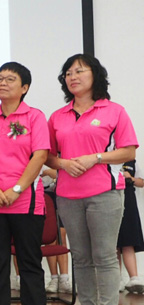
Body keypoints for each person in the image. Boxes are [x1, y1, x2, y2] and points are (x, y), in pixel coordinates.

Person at [46, 53, 138, 305]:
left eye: (79, 71)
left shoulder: (114, 110)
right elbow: (47, 156)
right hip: (67, 196)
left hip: (104, 194)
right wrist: (63, 163)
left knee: (105, 256)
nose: (72, 77)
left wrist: (95, 158)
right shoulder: (57, 116)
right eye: (68, 73)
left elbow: (128, 150)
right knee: (81, 257)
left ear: (95, 75)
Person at [0, 62, 49, 304]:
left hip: (26, 201)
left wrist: (17, 189)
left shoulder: (34, 116)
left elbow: (40, 156)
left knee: (29, 262)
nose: (2, 83)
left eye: (10, 79)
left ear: (24, 87)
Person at [40, 166, 72, 293]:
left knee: (62, 235)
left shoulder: (57, 157)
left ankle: (64, 278)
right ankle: (54, 278)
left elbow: (60, 174)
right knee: (50, 238)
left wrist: (48, 172)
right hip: (42, 194)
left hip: (59, 195)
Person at [117, 160, 144, 293]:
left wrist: (130, 178)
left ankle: (134, 278)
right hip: (110, 199)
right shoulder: (106, 158)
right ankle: (116, 279)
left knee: (128, 241)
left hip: (128, 201)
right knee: (113, 243)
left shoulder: (132, 162)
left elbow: (141, 182)